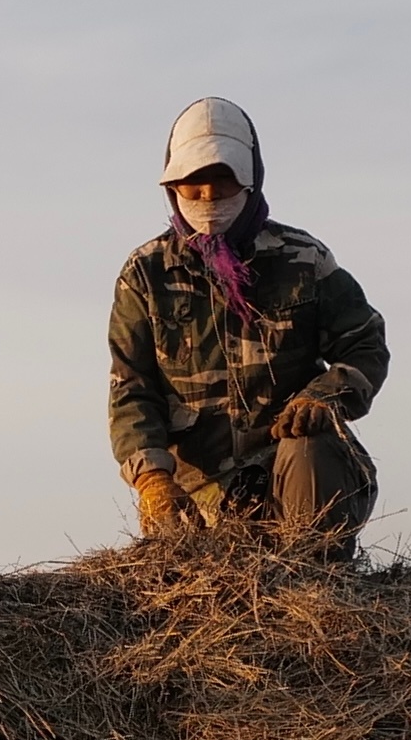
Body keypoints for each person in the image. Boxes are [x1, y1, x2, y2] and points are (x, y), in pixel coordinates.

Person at [109, 95, 388, 549]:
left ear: (250, 181)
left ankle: (314, 583)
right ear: (172, 187)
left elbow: (365, 345)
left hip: (293, 474)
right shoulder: (145, 273)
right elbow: (131, 387)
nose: (206, 198)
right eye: (192, 185)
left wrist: (324, 397)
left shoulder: (303, 259)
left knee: (311, 442)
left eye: (222, 183)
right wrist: (153, 481)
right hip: (199, 497)